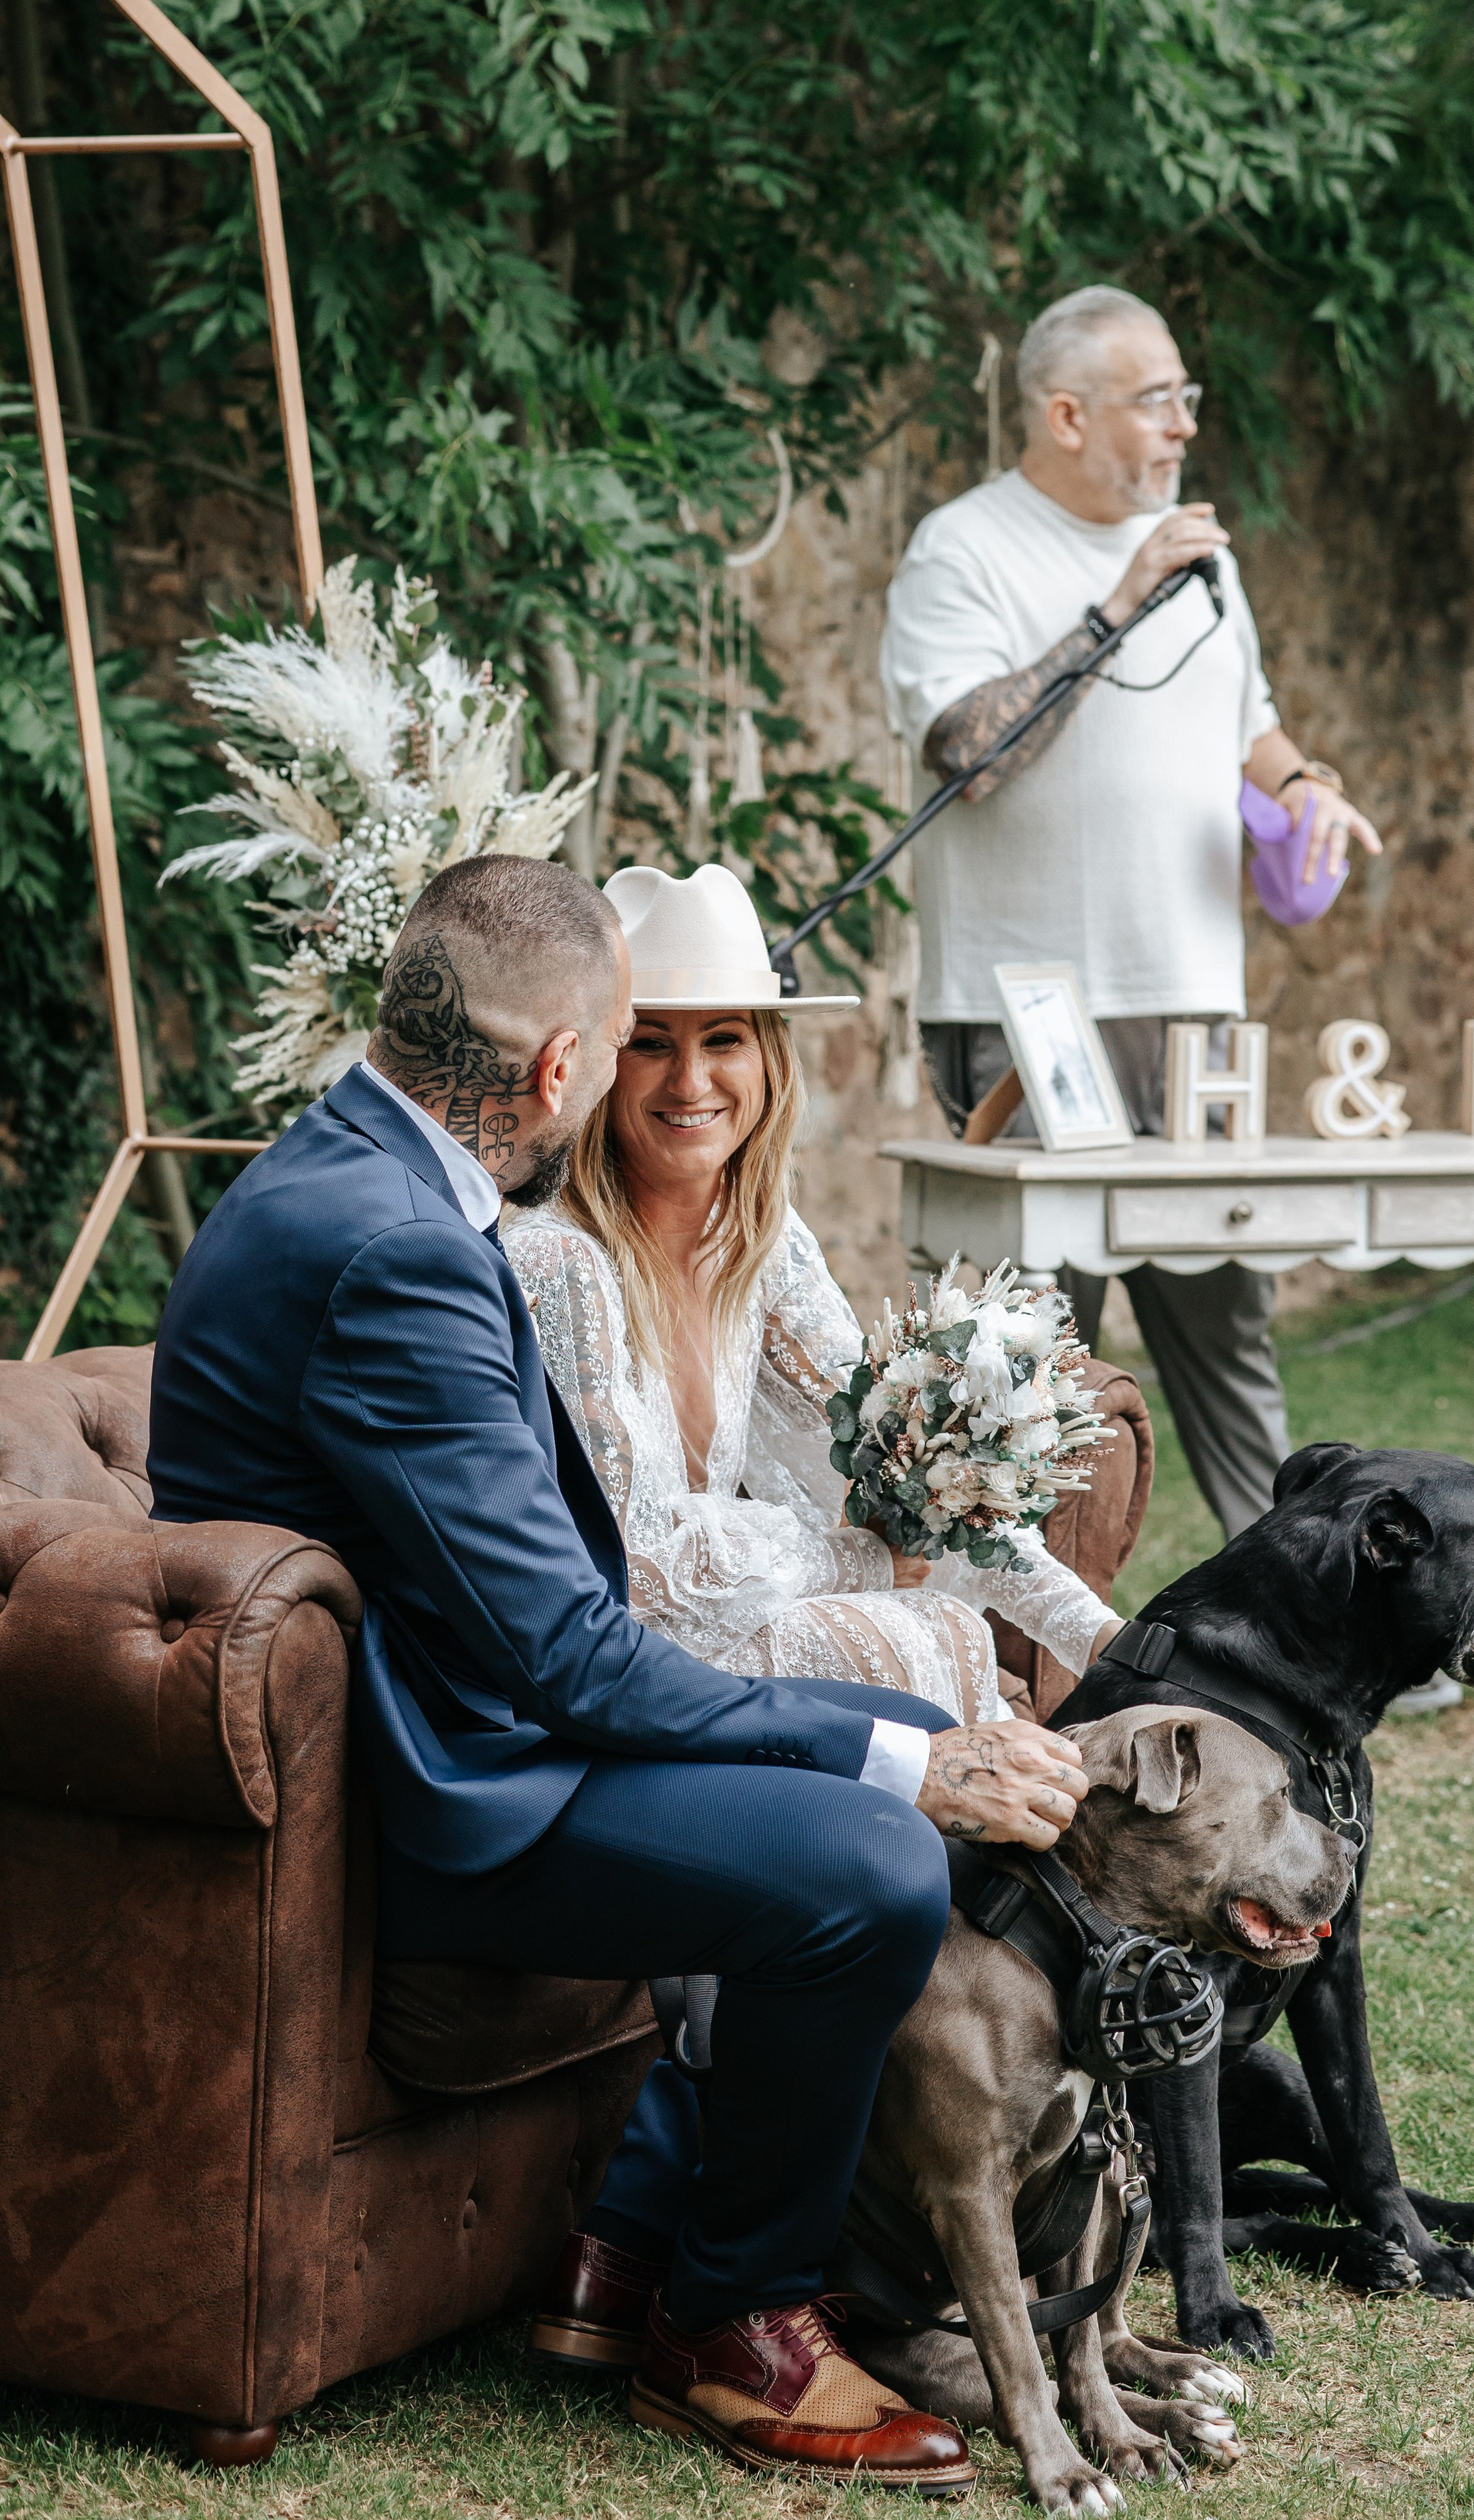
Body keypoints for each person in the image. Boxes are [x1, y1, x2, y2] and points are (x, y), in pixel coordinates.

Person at [146, 852, 1088, 2488]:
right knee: (870, 1852)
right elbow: (577, 1657)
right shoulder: (403, 1252)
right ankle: (733, 2324)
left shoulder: (361, 1179)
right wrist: (903, 1772)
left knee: (895, 1727)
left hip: (454, 1710)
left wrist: (905, 1733)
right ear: (564, 1067)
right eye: (634, 1040)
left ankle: (635, 2241)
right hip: (422, 1791)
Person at [880, 284, 1384, 1539]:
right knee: (1026, 1362)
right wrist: (1111, 611)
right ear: (1065, 413)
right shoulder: (964, 547)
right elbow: (967, 755)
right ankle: (1007, 1651)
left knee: (1229, 1337)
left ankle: (1310, 1614)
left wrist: (1306, 785)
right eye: (1156, 399)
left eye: (1185, 398)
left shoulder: (1198, 554)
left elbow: (1243, 719)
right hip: (1023, 1018)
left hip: (1193, 1008)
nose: (1181, 427)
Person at [506, 860, 1122, 1725]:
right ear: (601, 1063)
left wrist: (1096, 1636)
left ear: (769, 1058)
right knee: (924, 1635)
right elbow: (633, 1568)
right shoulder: (555, 1260)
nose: (690, 1083)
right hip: (609, 1660)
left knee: (944, 1627)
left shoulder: (759, 1239)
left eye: (722, 1040)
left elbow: (907, 1475)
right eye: (652, 1043)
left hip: (723, 1613)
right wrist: (859, 1562)